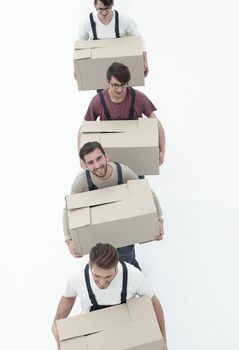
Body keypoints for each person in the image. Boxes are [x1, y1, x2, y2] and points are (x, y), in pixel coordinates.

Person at [63, 141, 164, 269]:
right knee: (103, 264)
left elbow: (147, 192)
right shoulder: (82, 181)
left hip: (123, 227)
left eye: (99, 158)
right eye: (91, 162)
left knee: (127, 260)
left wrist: (159, 220)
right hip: (97, 230)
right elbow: (68, 210)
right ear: (85, 165)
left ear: (106, 156)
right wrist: (69, 241)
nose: (97, 165)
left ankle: (135, 279)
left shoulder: (123, 172)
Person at [52, 243, 168, 350]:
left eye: (108, 276)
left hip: (128, 326)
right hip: (93, 330)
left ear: (116, 266)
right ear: (89, 265)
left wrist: (163, 339)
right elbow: (68, 298)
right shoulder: (77, 277)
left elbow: (154, 302)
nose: (102, 282)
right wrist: (56, 322)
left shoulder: (133, 275)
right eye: (96, 276)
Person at [77, 62, 166, 165]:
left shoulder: (139, 98)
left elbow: (156, 124)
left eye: (123, 85)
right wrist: (80, 156)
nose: (119, 90)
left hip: (135, 153)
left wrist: (162, 151)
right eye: (115, 85)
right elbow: (84, 128)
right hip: (109, 157)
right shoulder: (97, 101)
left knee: (137, 180)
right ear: (107, 81)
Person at [78, 0, 149, 77]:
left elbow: (138, 40)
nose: (104, 12)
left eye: (107, 8)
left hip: (123, 70)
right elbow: (81, 47)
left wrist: (145, 61)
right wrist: (77, 68)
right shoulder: (87, 22)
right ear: (94, 5)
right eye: (100, 9)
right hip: (100, 71)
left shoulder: (124, 20)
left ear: (113, 3)